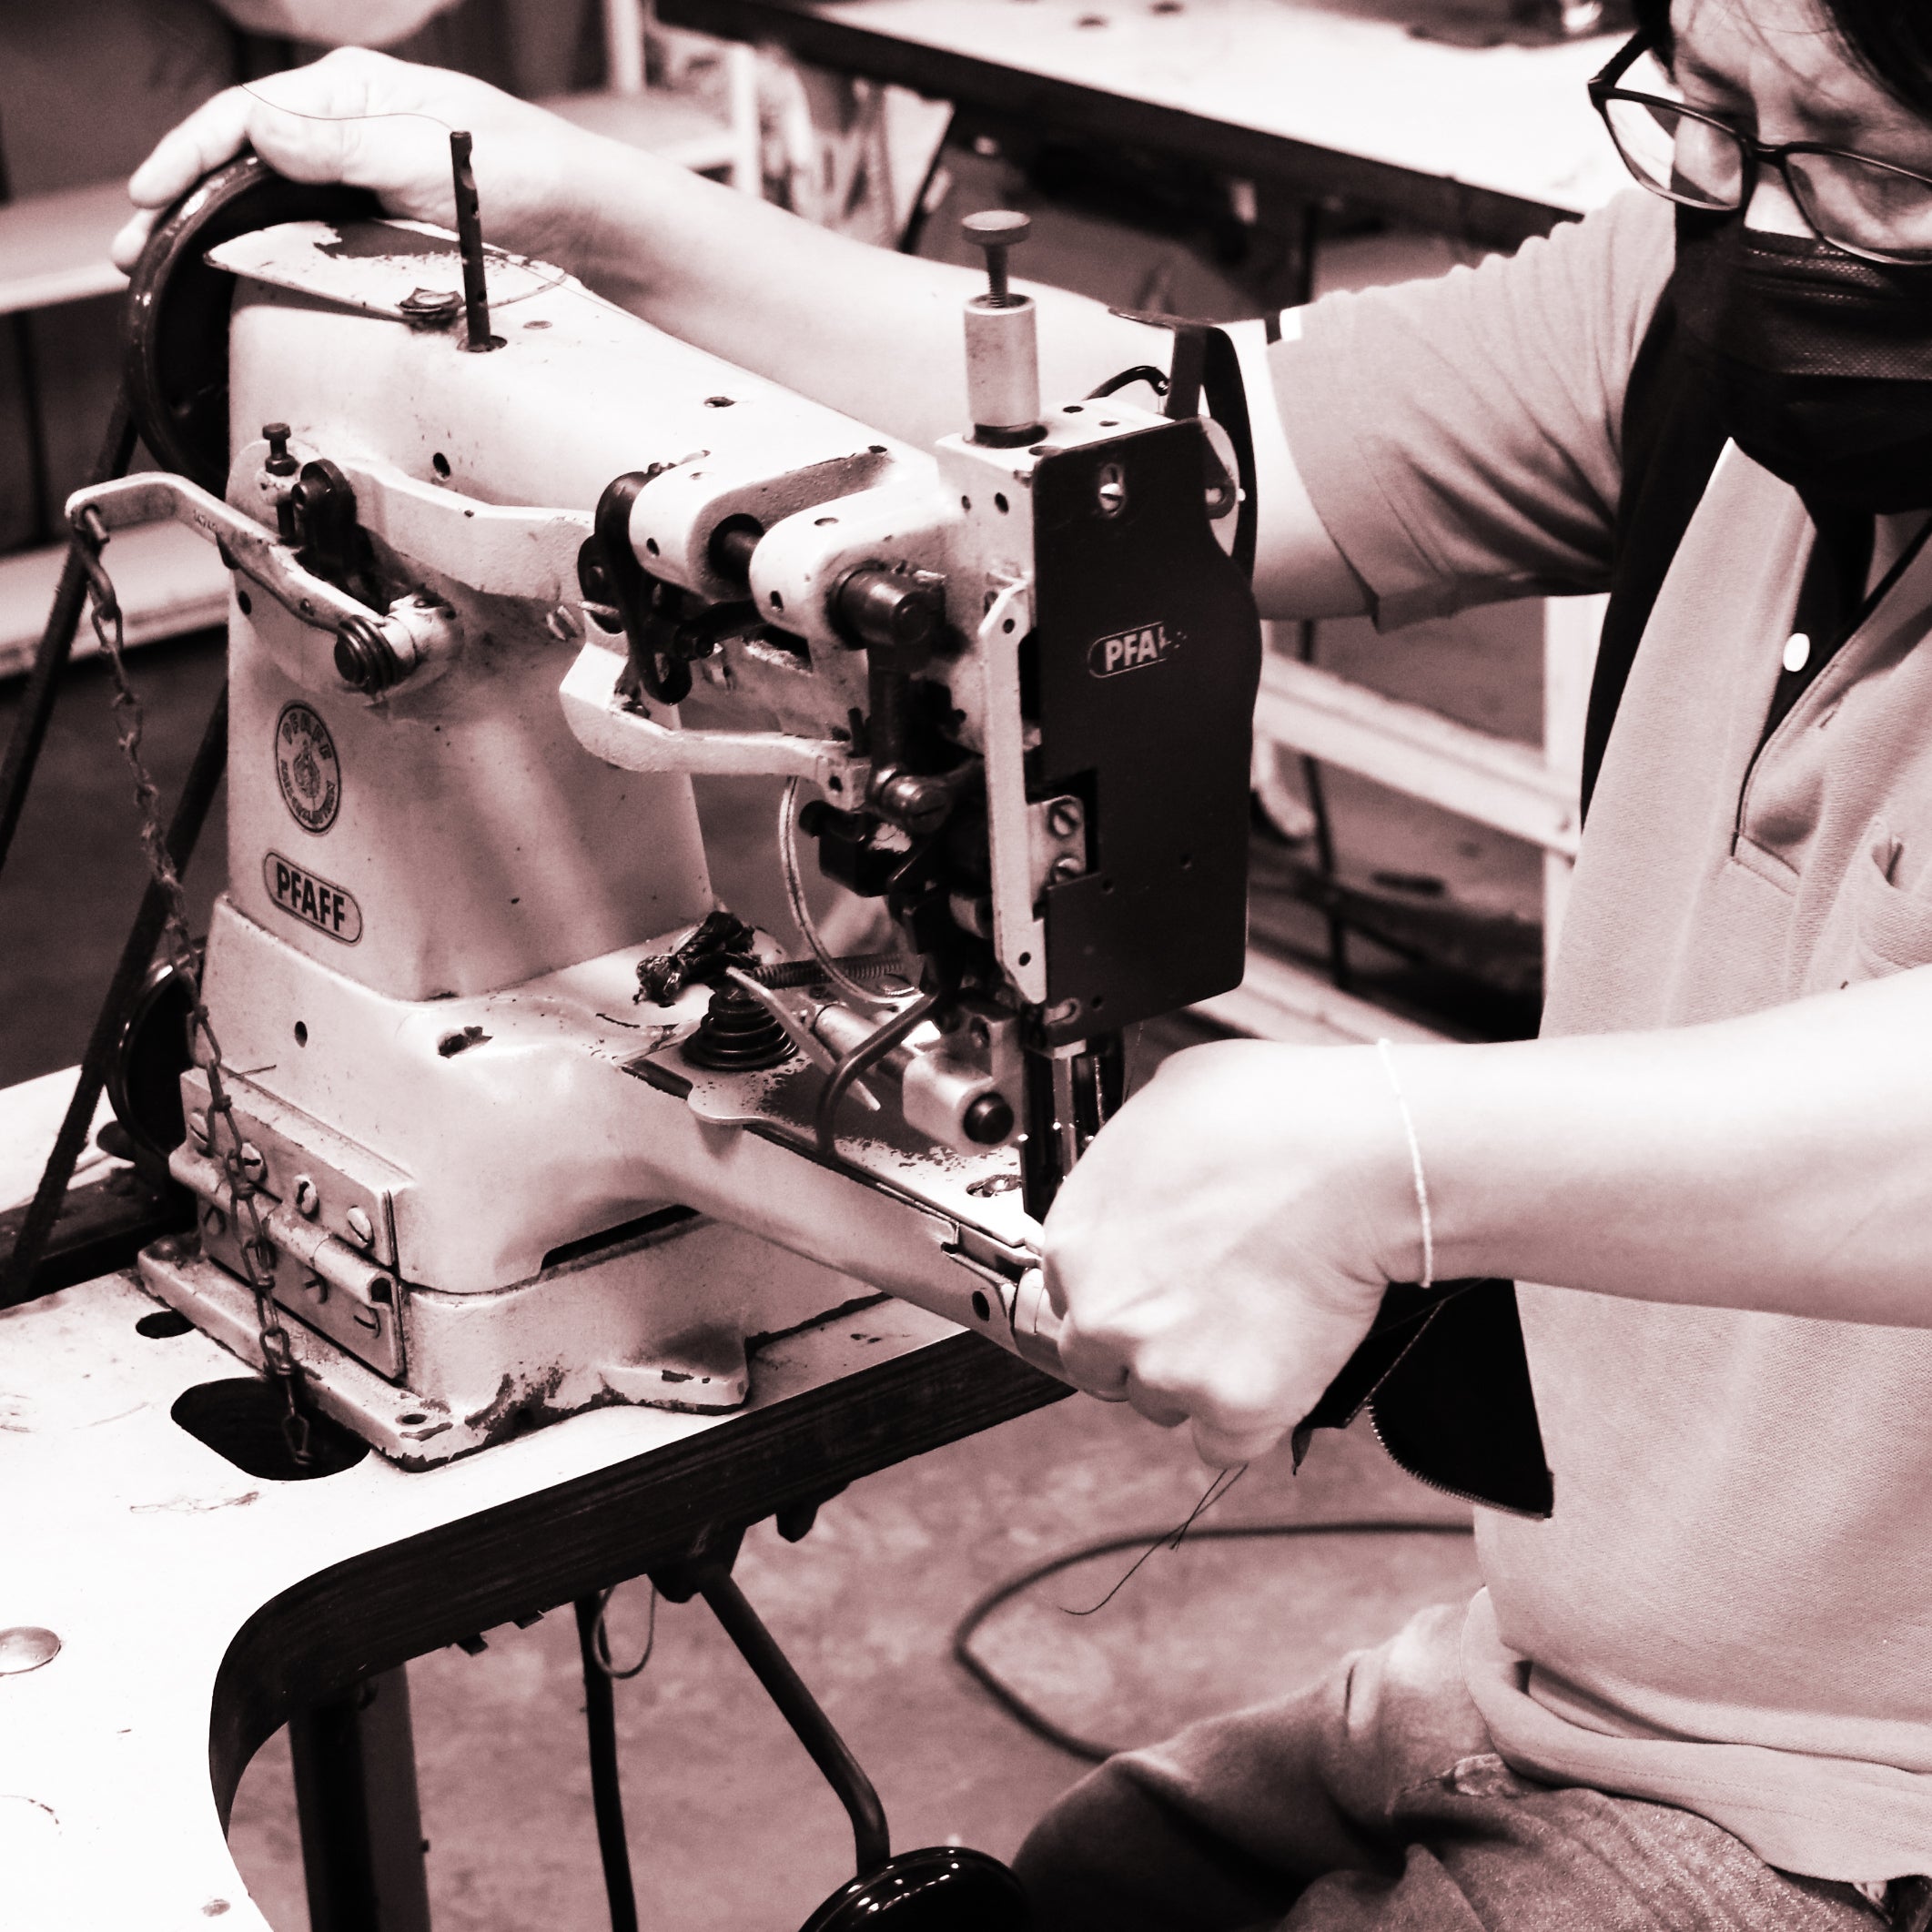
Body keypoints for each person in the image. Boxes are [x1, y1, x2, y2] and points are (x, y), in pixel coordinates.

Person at [116, 2, 1932, 1924]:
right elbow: (1155, 459)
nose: (1752, 207)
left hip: (1857, 1800)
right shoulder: (1686, 293)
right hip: (1560, 1677)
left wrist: (1396, 1159)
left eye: (1869, 166)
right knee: (1085, 1882)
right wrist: (591, 208)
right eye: (1704, 108)